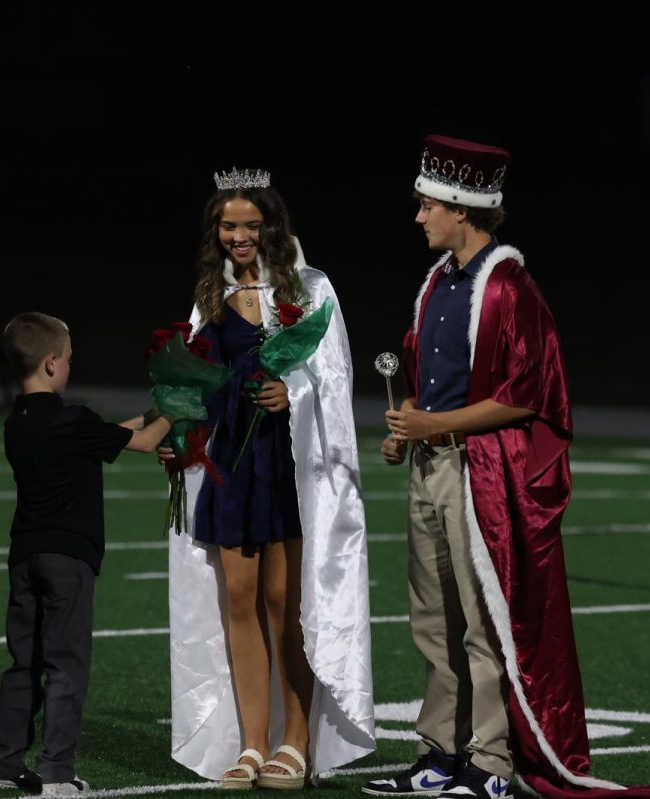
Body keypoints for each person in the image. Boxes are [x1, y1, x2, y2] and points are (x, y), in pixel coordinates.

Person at [363, 134, 594, 799]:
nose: (419, 216)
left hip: (478, 472)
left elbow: (528, 395)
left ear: (461, 209)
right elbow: (426, 376)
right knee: (433, 620)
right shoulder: (437, 280)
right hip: (430, 464)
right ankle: (439, 750)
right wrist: (410, 426)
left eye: (426, 204)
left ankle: (490, 762)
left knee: (481, 620)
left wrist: (435, 425)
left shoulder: (510, 288)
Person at [166, 168, 375, 789]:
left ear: (271, 227)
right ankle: (252, 742)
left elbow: (335, 375)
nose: (238, 236)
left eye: (250, 226)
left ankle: (297, 740)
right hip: (231, 461)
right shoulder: (210, 293)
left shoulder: (309, 289)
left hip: (286, 463)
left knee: (285, 603)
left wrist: (296, 391)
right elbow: (197, 375)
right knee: (238, 599)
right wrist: (180, 428)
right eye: (228, 226)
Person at [0, 312, 174, 796]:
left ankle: (2, 763)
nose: (69, 365)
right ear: (50, 363)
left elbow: (117, 432)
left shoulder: (20, 422)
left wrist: (156, 411)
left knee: (23, 663)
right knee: (67, 664)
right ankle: (56, 772)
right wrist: (185, 403)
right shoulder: (73, 419)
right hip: (69, 559)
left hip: (24, 555)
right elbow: (145, 442)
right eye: (67, 359)